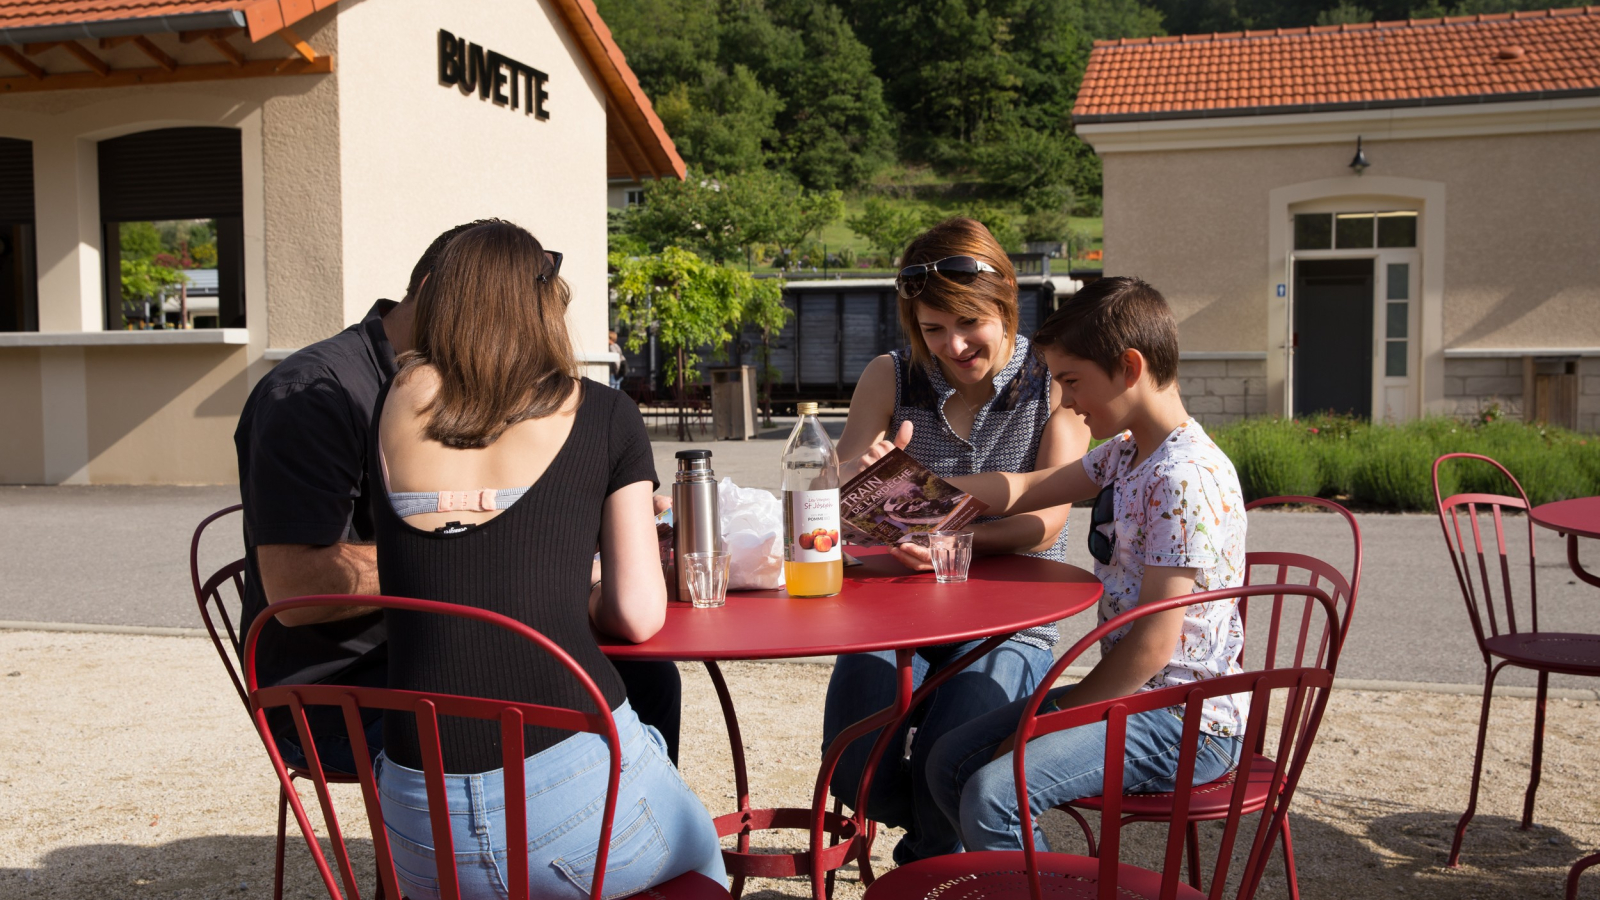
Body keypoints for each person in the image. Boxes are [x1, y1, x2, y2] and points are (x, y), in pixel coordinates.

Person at [235, 221, 682, 777]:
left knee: (649, 675)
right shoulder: (314, 393)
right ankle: (561, 848)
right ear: (435, 291)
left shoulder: (458, 385)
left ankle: (591, 847)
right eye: (491, 311)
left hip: (439, 652)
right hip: (340, 691)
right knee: (580, 692)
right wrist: (528, 545)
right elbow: (293, 583)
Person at [368, 221, 723, 898]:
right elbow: (635, 614)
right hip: (565, 791)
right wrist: (581, 594)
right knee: (700, 852)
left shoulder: (393, 405)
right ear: (545, 306)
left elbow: (469, 554)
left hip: (418, 824)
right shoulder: (607, 414)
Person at [906, 275, 1249, 851]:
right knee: (948, 760)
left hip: (1184, 721)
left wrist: (1052, 718)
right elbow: (1025, 487)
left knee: (995, 791)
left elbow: (1152, 648)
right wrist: (912, 493)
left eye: (1071, 382)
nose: (1064, 402)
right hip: (1131, 695)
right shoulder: (1128, 451)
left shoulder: (1183, 477)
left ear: (1130, 367)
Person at [821, 217, 1090, 863]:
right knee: (853, 768)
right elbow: (842, 504)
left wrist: (945, 534)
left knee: (955, 758)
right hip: (897, 602)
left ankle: (929, 865)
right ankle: (938, 837)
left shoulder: (1056, 377)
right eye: (933, 329)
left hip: (1009, 615)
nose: (952, 345)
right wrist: (860, 481)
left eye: (969, 324)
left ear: (1005, 305)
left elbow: (1047, 519)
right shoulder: (890, 374)